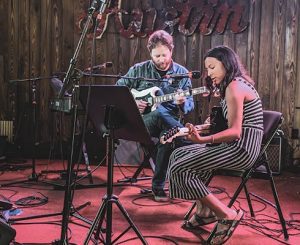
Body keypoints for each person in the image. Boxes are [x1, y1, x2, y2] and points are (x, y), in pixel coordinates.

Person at [167, 45, 264, 243]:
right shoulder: (232, 85)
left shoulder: (234, 87)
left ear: (226, 64)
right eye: (207, 69)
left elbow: (236, 132)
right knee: (178, 155)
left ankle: (226, 214)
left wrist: (202, 139)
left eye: (212, 67)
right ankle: (204, 211)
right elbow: (224, 126)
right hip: (233, 146)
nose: (209, 73)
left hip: (241, 150)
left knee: (180, 168)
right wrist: (199, 129)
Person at [116, 30, 194, 201]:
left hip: (169, 124)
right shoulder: (138, 70)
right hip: (143, 122)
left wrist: (182, 103)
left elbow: (190, 104)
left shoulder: (182, 73)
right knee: (160, 114)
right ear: (150, 53)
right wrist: (133, 104)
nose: (161, 60)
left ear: (171, 51)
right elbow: (117, 91)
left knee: (167, 137)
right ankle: (184, 136)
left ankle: (158, 186)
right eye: (157, 56)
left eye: (164, 55)